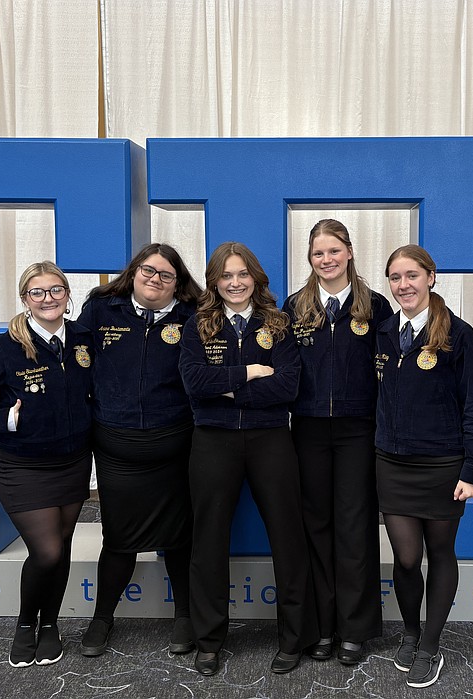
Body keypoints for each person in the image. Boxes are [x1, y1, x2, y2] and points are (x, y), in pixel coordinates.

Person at [179, 241, 318, 676]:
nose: (235, 283)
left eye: (243, 274)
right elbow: (193, 382)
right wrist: (250, 372)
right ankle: (209, 640)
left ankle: (294, 638)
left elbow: (288, 387)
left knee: (288, 538)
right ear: (214, 281)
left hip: (270, 440)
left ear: (256, 278)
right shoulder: (197, 324)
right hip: (213, 441)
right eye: (226, 275)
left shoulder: (278, 324)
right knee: (208, 540)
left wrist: (225, 388)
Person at [0, 261, 93, 668]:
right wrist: (3, 419)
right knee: (46, 551)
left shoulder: (83, 339)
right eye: (37, 292)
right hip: (23, 465)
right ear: (25, 300)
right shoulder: (3, 347)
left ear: (67, 294)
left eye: (56, 290)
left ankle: (51, 625)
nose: (48, 298)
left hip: (74, 461)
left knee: (60, 549)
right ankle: (27, 623)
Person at [75, 243, 203, 658]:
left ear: (177, 284)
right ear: (133, 272)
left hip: (176, 446)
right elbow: (73, 361)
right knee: (119, 539)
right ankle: (102, 618)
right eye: (149, 271)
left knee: (180, 539)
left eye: (167, 275)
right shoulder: (101, 309)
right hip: (117, 448)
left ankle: (185, 616)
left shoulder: (194, 317)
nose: (155, 280)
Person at [374, 244, 473, 688]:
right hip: (392, 463)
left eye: (411, 276)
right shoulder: (383, 333)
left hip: (443, 466)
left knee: (440, 553)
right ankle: (409, 631)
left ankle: (430, 645)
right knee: (405, 558)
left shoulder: (458, 336)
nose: (403, 285)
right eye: (395, 278)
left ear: (431, 277)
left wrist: (472, 471)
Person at [281, 219, 392, 665]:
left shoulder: (376, 306)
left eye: (333, 251)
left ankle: (354, 629)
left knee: (354, 528)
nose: (326, 260)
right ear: (309, 260)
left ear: (349, 252)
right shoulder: (294, 307)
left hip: (357, 431)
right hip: (307, 429)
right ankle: (321, 627)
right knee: (316, 527)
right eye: (317, 254)